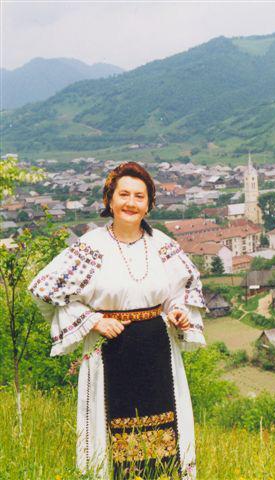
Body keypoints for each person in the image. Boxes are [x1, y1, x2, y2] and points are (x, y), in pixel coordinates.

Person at [28, 162, 207, 480]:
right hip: (110, 351)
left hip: (158, 353)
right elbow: (44, 290)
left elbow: (184, 288)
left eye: (139, 196)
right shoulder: (90, 248)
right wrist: (90, 319)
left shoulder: (162, 245)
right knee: (113, 446)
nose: (131, 203)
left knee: (166, 438)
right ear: (109, 199)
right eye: (123, 194)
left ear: (149, 203)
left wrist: (177, 311)